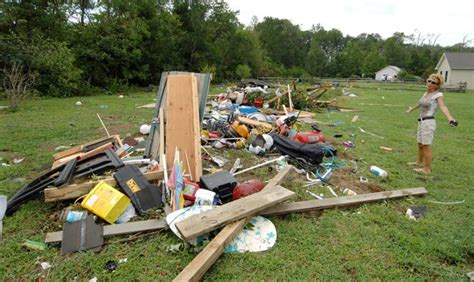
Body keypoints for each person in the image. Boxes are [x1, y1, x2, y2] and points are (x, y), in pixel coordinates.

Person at [406, 74, 457, 174]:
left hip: (429, 123)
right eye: (429, 81)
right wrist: (411, 110)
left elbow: (443, 106)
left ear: (437, 85)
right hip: (421, 121)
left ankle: (427, 169)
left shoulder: (438, 95)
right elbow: (420, 103)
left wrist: (450, 118)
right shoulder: (426, 94)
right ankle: (419, 162)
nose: (430, 83)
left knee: (426, 145)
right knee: (420, 144)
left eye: (433, 82)